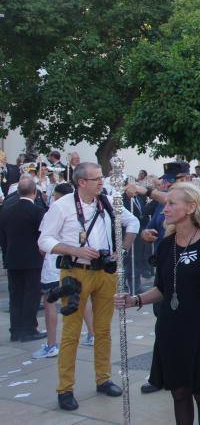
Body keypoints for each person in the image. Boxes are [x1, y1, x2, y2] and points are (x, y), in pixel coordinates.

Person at [115, 182, 200, 424]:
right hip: (170, 328)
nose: (164, 209)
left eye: (171, 203)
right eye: (166, 204)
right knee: (178, 392)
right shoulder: (166, 245)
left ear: (191, 207)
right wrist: (135, 299)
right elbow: (163, 289)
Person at [38, 162, 140, 411]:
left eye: (101, 177)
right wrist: (74, 249)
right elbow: (44, 239)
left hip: (104, 273)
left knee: (103, 330)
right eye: (96, 179)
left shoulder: (106, 202)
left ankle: (103, 378)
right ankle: (65, 388)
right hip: (75, 272)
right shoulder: (61, 206)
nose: (101, 182)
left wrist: (121, 251)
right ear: (81, 182)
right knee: (71, 333)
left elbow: (133, 223)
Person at [0, 178, 48, 342]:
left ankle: (15, 330)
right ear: (35, 192)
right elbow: (43, 237)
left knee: (16, 295)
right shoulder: (37, 211)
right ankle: (28, 329)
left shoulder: (6, 211)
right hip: (32, 260)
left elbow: (3, 238)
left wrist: (6, 254)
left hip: (12, 258)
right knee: (31, 294)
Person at [33, 183, 75, 359]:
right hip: (72, 262)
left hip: (54, 264)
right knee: (77, 299)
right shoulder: (77, 210)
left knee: (50, 301)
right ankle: (91, 334)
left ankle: (52, 344)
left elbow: (43, 244)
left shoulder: (53, 211)